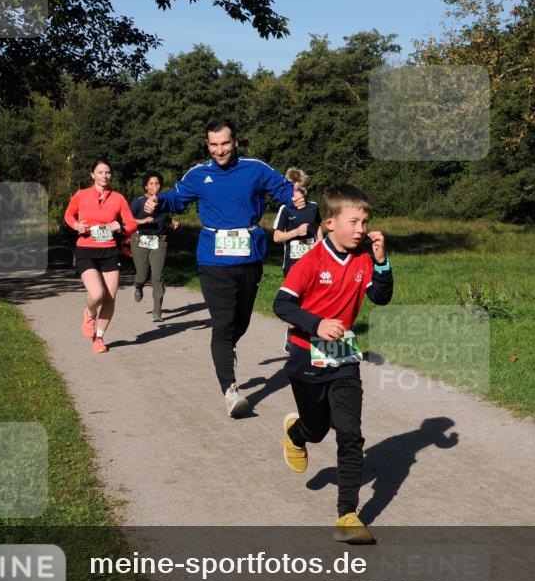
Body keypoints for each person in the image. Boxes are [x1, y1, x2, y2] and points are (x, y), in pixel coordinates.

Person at [145, 119, 306, 417]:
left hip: (249, 257)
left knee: (240, 322)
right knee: (222, 323)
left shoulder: (255, 169)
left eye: (225, 143)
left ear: (235, 142)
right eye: (213, 145)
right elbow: (175, 198)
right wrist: (157, 202)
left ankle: (226, 347)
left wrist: (296, 195)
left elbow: (284, 191)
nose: (219, 150)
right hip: (212, 258)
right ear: (207, 145)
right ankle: (230, 389)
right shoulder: (198, 174)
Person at [272, 183, 393, 545]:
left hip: (343, 359)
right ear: (329, 223)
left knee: (350, 433)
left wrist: (382, 261)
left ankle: (347, 514)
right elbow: (282, 305)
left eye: (365, 221)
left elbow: (381, 298)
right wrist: (317, 324)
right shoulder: (310, 262)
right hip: (306, 355)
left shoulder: (363, 260)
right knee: (317, 429)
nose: (361, 229)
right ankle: (297, 434)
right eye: (354, 222)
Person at [64, 161, 137, 353]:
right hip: (86, 249)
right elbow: (68, 215)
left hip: (109, 251)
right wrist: (76, 226)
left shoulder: (118, 198)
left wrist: (120, 228)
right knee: (97, 294)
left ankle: (99, 337)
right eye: (100, 172)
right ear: (92, 175)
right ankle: (89, 313)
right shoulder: (81, 195)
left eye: (107, 172)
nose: (104, 176)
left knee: (110, 297)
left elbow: (131, 224)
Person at [273, 167, 324, 353]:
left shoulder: (314, 206)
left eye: (303, 188)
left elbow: (317, 226)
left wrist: (320, 243)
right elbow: (276, 237)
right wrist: (295, 232)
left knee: (314, 301)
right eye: (296, 189)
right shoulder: (285, 209)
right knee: (296, 304)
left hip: (314, 261)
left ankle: (312, 338)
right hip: (293, 264)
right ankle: (292, 333)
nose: (301, 193)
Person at [129, 171, 179, 322]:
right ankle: (138, 285)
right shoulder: (138, 202)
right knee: (143, 274)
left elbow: (163, 216)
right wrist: (142, 222)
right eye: (151, 183)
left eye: (157, 183)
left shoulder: (164, 201)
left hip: (159, 241)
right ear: (145, 186)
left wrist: (172, 222)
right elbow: (127, 220)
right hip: (140, 240)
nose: (154, 186)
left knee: (158, 276)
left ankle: (157, 310)